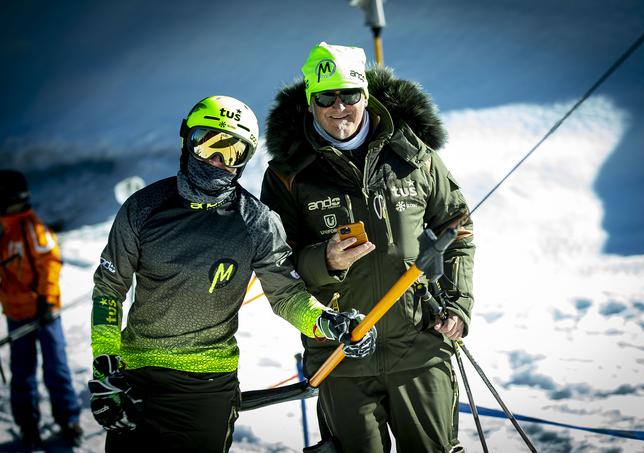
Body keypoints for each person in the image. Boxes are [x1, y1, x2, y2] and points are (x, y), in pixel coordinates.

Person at [88, 95, 377, 453]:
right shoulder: (144, 207)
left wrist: (328, 323)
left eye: (232, 154)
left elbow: (287, 297)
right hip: (137, 379)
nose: (216, 161)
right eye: (207, 144)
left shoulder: (256, 222)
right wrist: (106, 371)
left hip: (207, 388)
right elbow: (109, 289)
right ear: (186, 140)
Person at [260, 42, 475, 452]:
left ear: (366, 95)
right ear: (310, 103)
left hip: (419, 347)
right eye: (326, 97)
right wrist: (324, 260)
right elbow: (274, 264)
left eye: (349, 94)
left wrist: (458, 303)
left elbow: (459, 231)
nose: (339, 107)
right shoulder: (288, 175)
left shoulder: (414, 156)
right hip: (340, 353)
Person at [0, 169, 83, 448]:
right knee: (22, 372)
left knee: (55, 367)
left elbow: (50, 263)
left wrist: (47, 301)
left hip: (44, 313)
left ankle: (68, 419)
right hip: (16, 314)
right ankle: (27, 425)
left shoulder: (31, 228)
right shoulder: (2, 230)